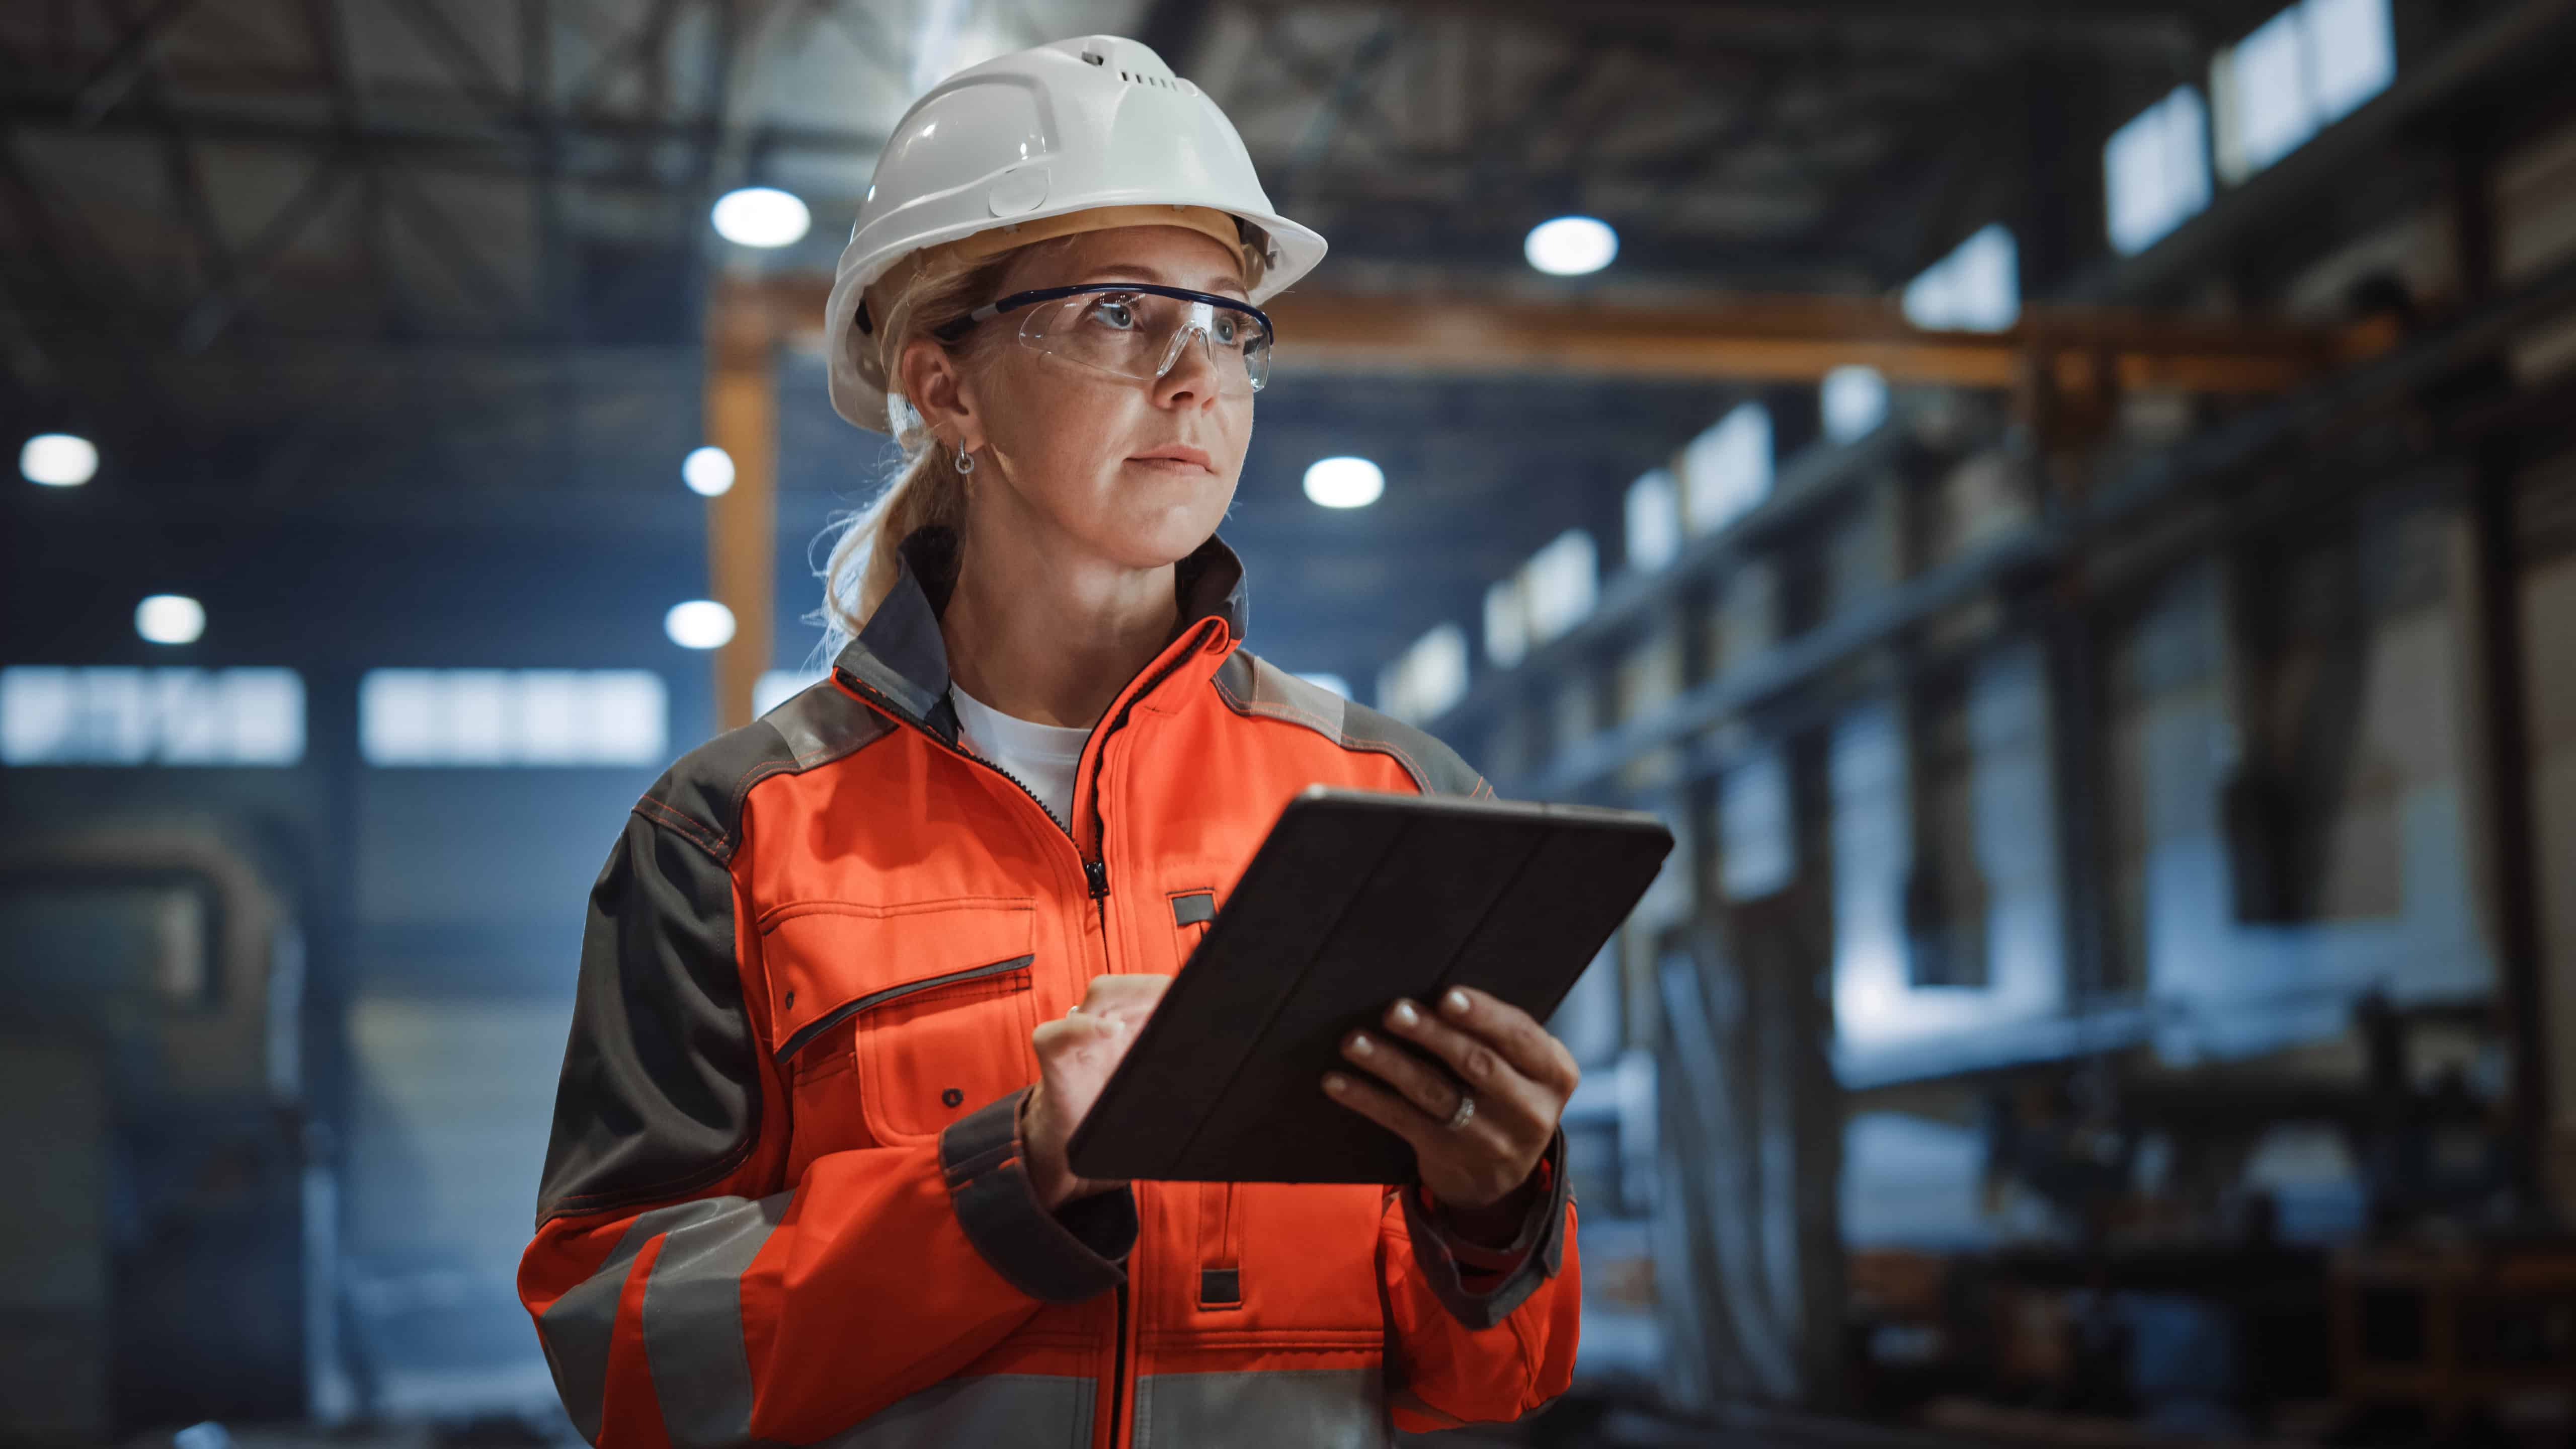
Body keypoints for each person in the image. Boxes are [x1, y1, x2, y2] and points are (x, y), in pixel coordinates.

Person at [518, 35, 1581, 1448]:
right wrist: (1009, 1181)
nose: (1197, 375)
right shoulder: (734, 836)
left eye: (1227, 324)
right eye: (1121, 314)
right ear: (947, 389)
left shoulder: (1394, 798)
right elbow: (628, 1359)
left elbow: (1492, 1378)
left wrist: (1497, 1211)